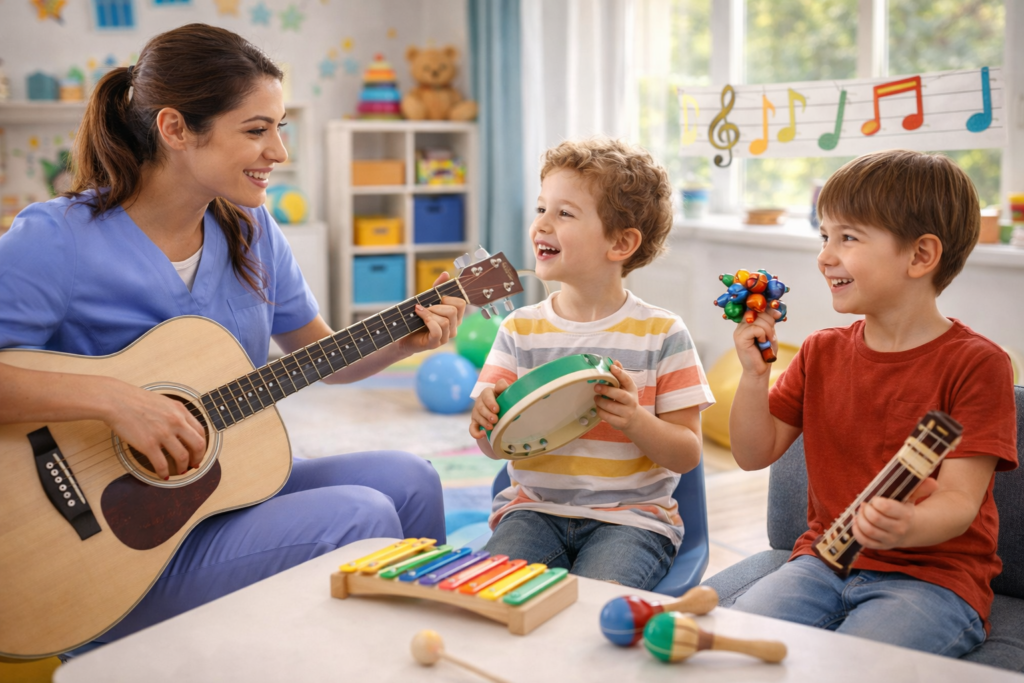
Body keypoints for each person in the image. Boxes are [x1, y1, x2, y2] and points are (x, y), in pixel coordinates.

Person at [0, 24, 464, 648]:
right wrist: (117, 401)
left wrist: (406, 338)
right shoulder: (56, 238)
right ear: (174, 129)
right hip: (106, 552)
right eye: (256, 130)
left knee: (412, 480)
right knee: (363, 516)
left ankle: (410, 653)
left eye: (280, 128)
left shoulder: (252, 230)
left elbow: (323, 356)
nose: (279, 151)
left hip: (217, 492)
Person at [727, 149, 1018, 657]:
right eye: (824, 236)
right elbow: (752, 453)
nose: (824, 256)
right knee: (734, 652)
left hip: (935, 581)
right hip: (822, 562)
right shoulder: (821, 351)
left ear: (920, 256)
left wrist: (909, 525)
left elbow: (958, 502)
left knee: (852, 667)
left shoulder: (979, 365)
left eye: (848, 237)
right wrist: (754, 378)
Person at [467, 138, 714, 589]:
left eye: (564, 213)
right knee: (487, 597)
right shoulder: (518, 330)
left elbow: (687, 454)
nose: (541, 224)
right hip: (533, 511)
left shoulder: (664, 334)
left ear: (620, 243)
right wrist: (485, 421)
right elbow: (494, 446)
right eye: (541, 208)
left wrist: (636, 421)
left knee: (591, 614)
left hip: (634, 521)